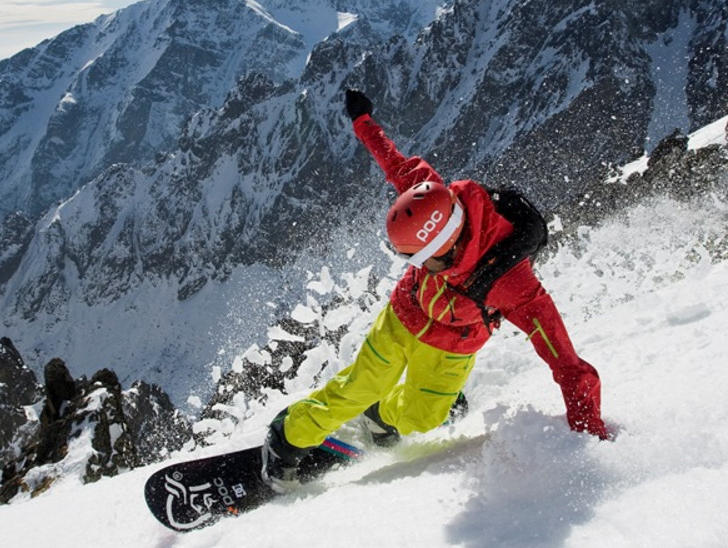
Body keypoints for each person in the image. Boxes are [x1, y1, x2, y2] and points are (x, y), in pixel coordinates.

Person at [261, 89, 610, 492]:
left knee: (422, 417)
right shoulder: (435, 197)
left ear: (445, 249)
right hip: (403, 315)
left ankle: (382, 416)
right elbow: (395, 163)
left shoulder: (512, 284)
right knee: (358, 386)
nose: (417, 268)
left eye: (421, 260)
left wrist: (589, 435)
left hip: (452, 347)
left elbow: (567, 363)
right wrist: (363, 121)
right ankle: (286, 437)